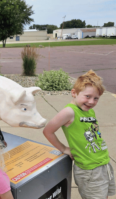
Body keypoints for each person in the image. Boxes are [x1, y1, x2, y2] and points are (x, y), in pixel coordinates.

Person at [43, 70, 115, 199]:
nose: (91, 102)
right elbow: (48, 131)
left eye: (96, 98)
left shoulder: (89, 111)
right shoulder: (69, 112)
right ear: (74, 93)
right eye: (87, 96)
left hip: (102, 164)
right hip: (89, 169)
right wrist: (63, 148)